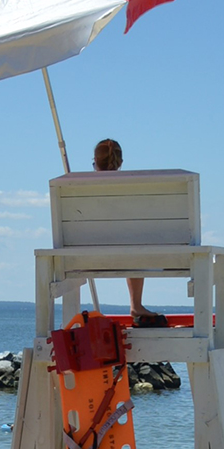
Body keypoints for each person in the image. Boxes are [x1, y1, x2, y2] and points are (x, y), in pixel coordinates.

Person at [93, 138, 166, 327]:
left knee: (132, 245)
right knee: (135, 244)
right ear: (120, 163)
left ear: (96, 161)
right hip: (127, 254)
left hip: (85, 254)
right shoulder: (131, 187)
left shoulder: (77, 185)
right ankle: (136, 305)